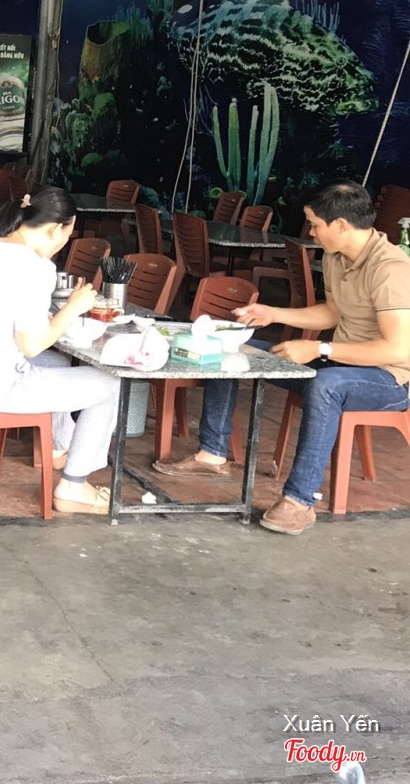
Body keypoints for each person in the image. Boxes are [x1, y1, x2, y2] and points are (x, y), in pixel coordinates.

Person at [153, 181, 410, 535]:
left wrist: (319, 349)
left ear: (340, 225)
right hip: (341, 363)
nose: (311, 233)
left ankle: (299, 500)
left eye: (315, 225)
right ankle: (212, 454)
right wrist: (272, 314)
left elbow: (397, 349)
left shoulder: (391, 268)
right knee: (232, 349)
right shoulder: (336, 256)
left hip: (389, 378)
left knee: (326, 384)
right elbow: (332, 314)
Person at [0, 187, 120, 514]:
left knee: (59, 362)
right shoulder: (33, 266)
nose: (62, 244)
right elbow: (32, 344)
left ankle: (58, 448)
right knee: (110, 384)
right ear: (55, 229)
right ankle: (73, 486)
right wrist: (74, 308)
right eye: (66, 236)